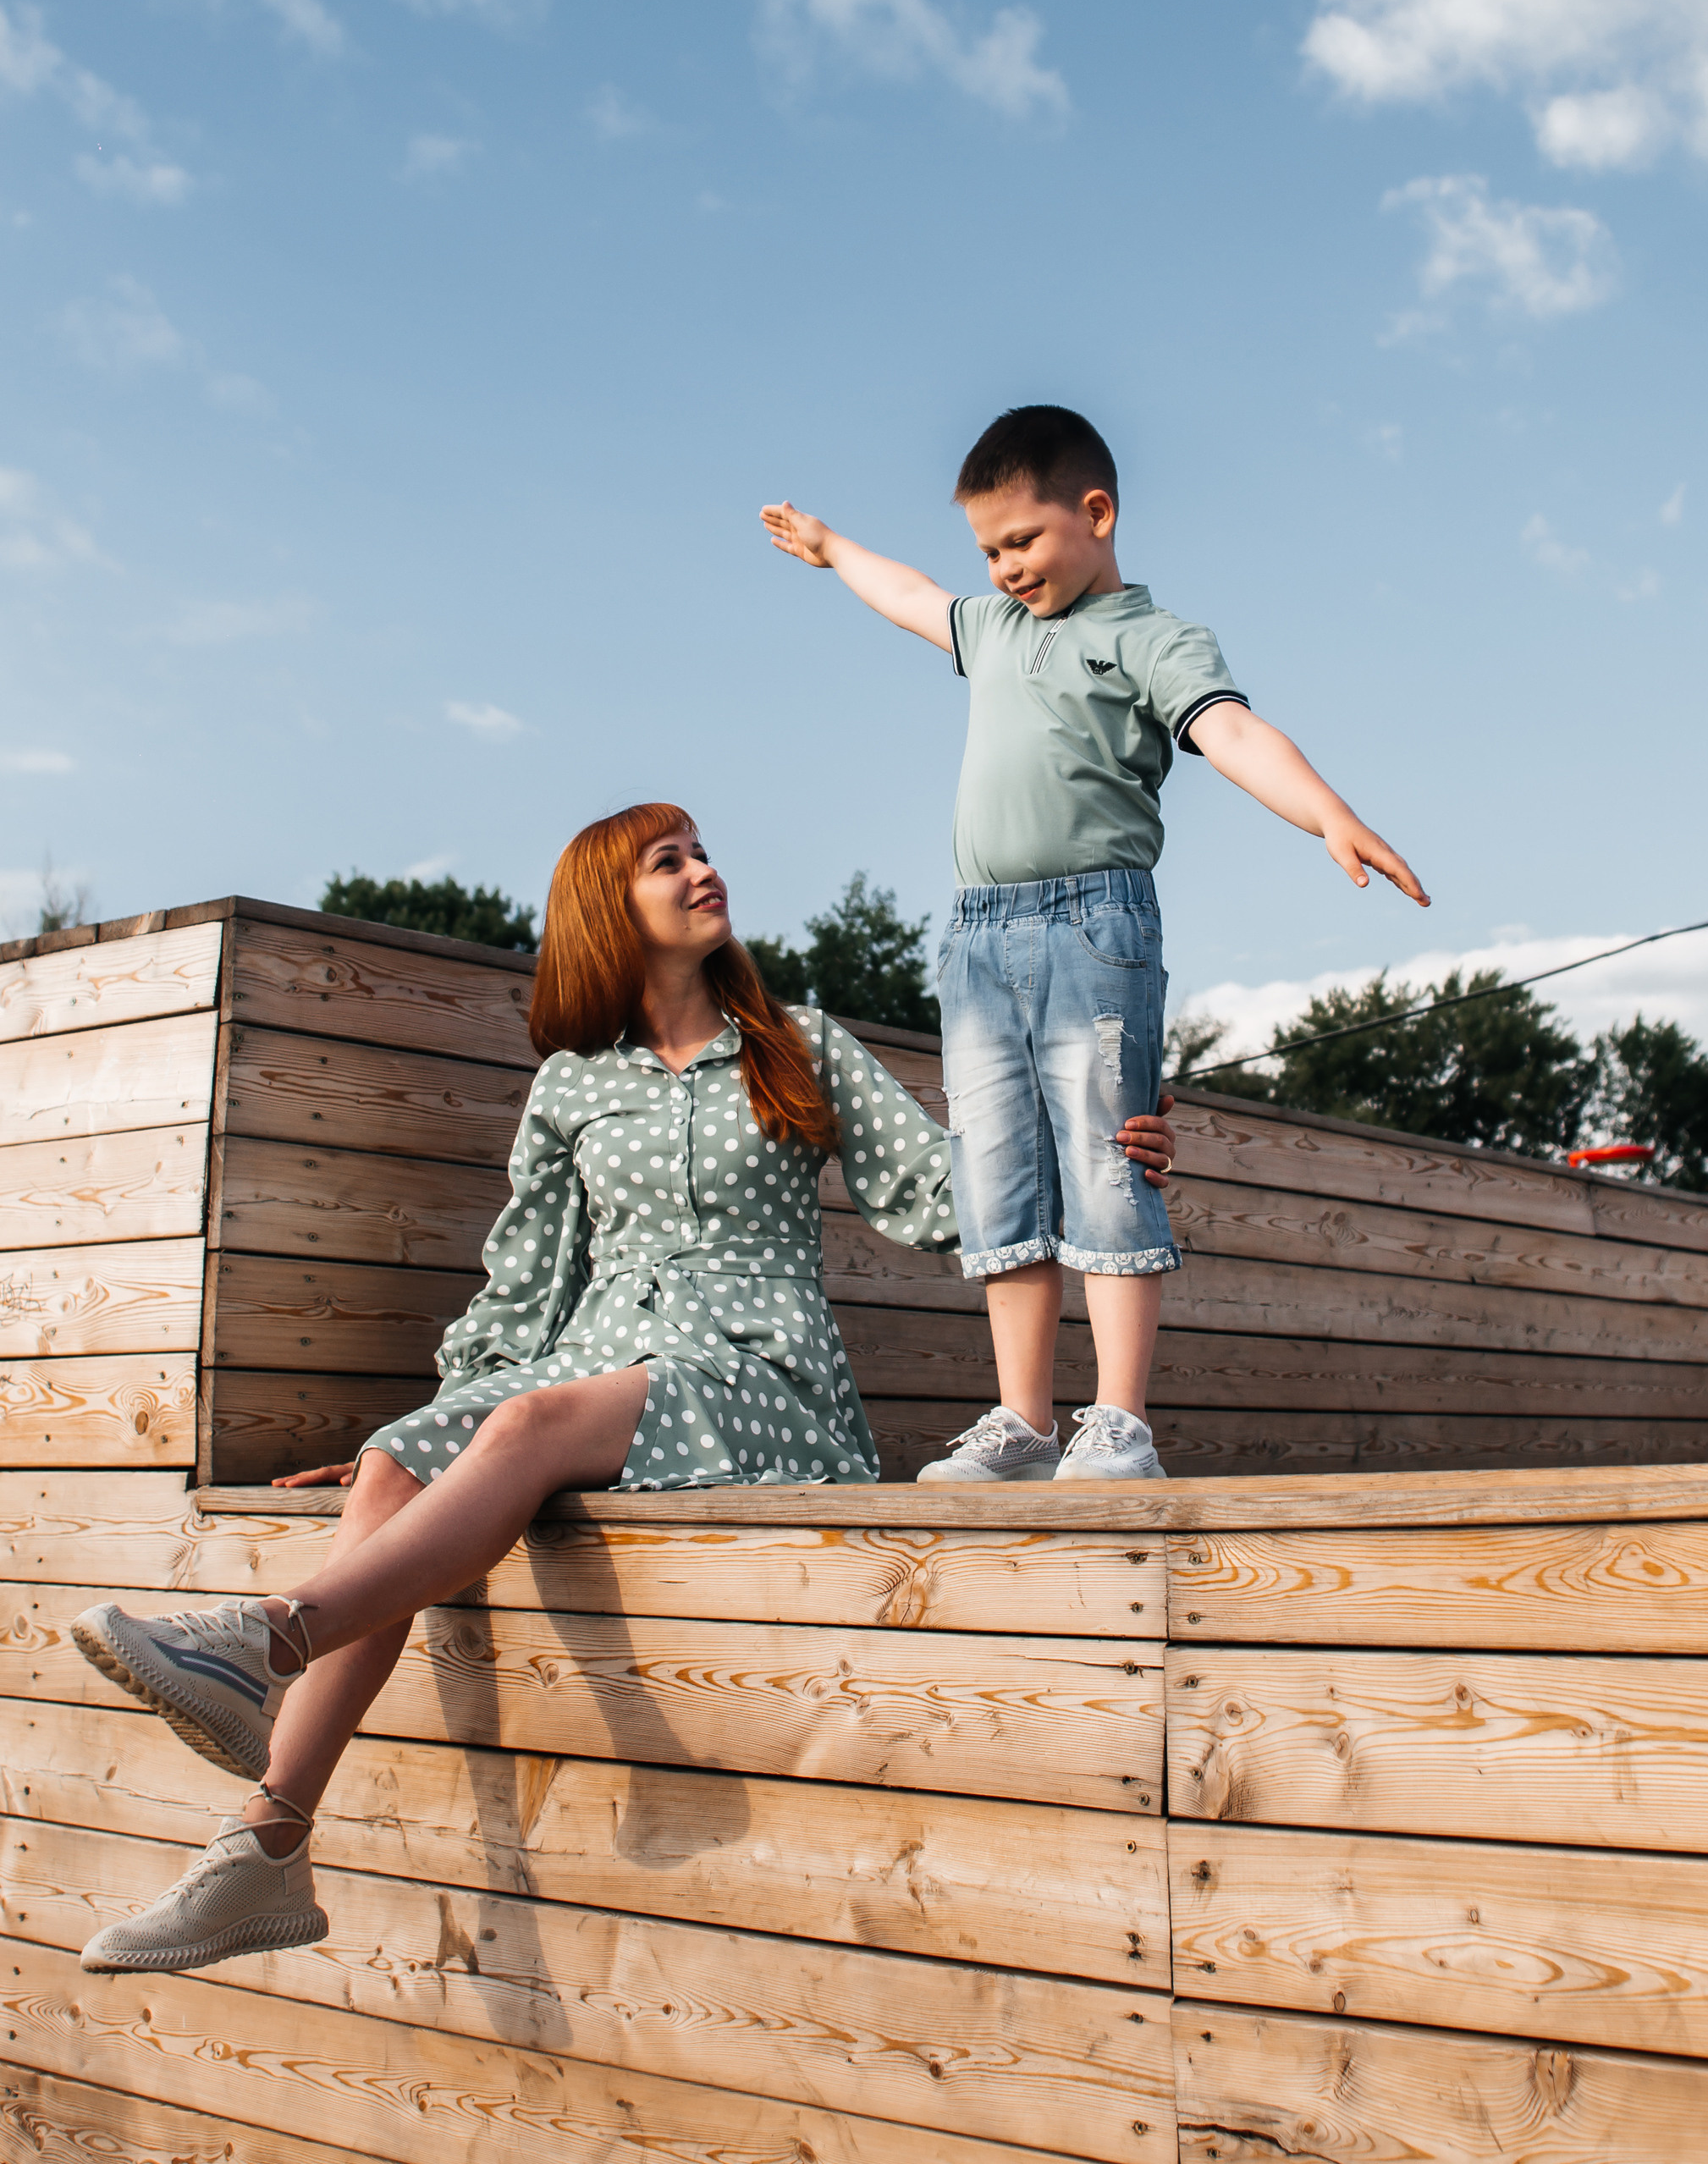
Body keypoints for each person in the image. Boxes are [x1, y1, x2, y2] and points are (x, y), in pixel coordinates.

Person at [68, 797, 1177, 1976]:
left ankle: (269, 1637)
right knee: (399, 1456)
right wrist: (429, 1425)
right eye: (670, 861)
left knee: (533, 1419)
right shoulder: (570, 1087)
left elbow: (954, 1195)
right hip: (595, 1360)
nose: (704, 871)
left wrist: (1107, 1145)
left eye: (701, 852)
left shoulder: (797, 1042)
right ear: (611, 906)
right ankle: (265, 1846)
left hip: (758, 1369)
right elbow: (526, 1282)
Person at [762, 403, 1427, 1487]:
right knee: (997, 1172)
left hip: (1093, 925)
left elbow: (1235, 732)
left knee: (1111, 1160)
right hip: (978, 935)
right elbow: (912, 600)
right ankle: (1023, 1422)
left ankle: (1118, 1421)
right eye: (988, 550)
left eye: (1021, 541)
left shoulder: (1154, 641)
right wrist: (834, 550)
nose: (1004, 568)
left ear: (1097, 513)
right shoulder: (997, 632)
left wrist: (1329, 815)